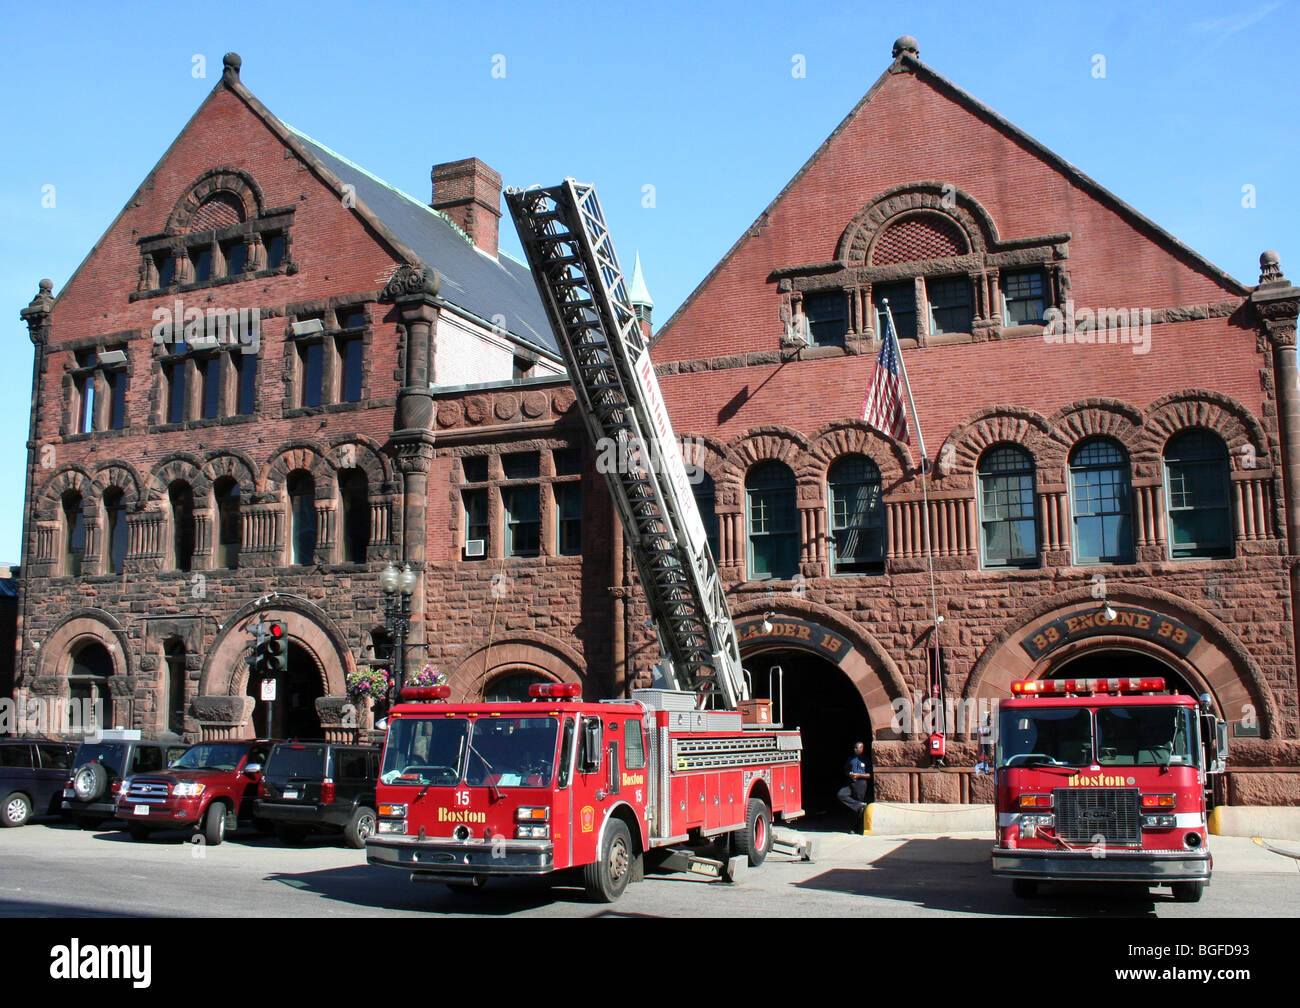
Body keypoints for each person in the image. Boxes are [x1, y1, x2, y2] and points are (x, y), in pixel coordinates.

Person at [837, 741, 871, 831]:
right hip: (851, 781)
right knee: (841, 794)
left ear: (862, 749)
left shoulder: (866, 760)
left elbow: (869, 775)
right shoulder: (851, 759)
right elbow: (846, 770)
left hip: (861, 783)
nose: (855, 749)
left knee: (858, 810)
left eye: (857, 748)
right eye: (854, 748)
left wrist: (859, 775)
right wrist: (850, 774)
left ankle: (857, 827)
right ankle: (859, 805)